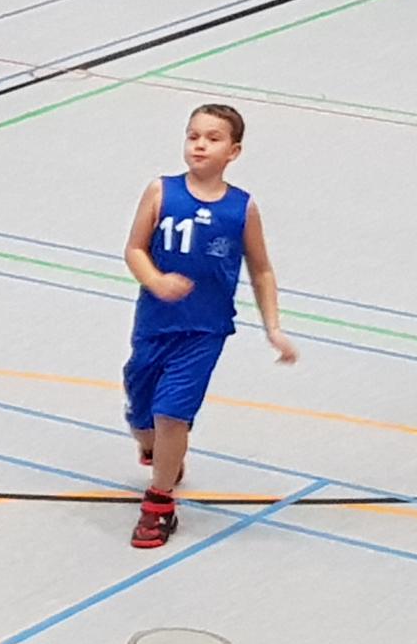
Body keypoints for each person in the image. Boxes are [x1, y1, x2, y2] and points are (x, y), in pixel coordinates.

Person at [121, 103, 297, 549]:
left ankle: (159, 504)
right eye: (193, 135)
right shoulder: (161, 191)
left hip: (204, 332)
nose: (200, 144)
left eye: (213, 138)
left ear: (233, 151)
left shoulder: (241, 208)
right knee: (143, 413)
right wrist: (156, 281)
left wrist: (273, 328)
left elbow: (261, 270)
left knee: (172, 413)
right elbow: (134, 249)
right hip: (154, 326)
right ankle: (157, 449)